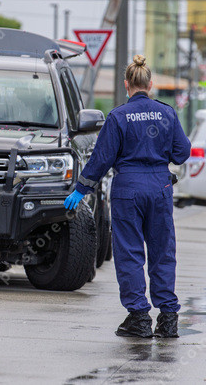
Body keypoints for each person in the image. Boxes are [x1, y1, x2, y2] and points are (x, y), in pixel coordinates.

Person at [64, 55, 191, 338]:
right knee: (162, 252)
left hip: (128, 189)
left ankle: (139, 319)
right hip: (160, 188)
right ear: (150, 85)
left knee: (130, 253)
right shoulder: (167, 113)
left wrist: (81, 189)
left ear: (126, 85)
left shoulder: (118, 116)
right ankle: (168, 319)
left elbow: (101, 159)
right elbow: (182, 152)